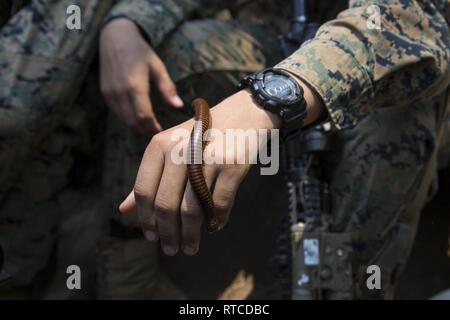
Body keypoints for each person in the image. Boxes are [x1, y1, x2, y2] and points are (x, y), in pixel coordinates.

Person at [120, 0, 450, 299]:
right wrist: (128, 22)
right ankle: (128, 275)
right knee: (169, 54)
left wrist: (269, 101)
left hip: (388, 53)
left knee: (399, 121)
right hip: (287, 36)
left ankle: (352, 286)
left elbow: (413, 21)